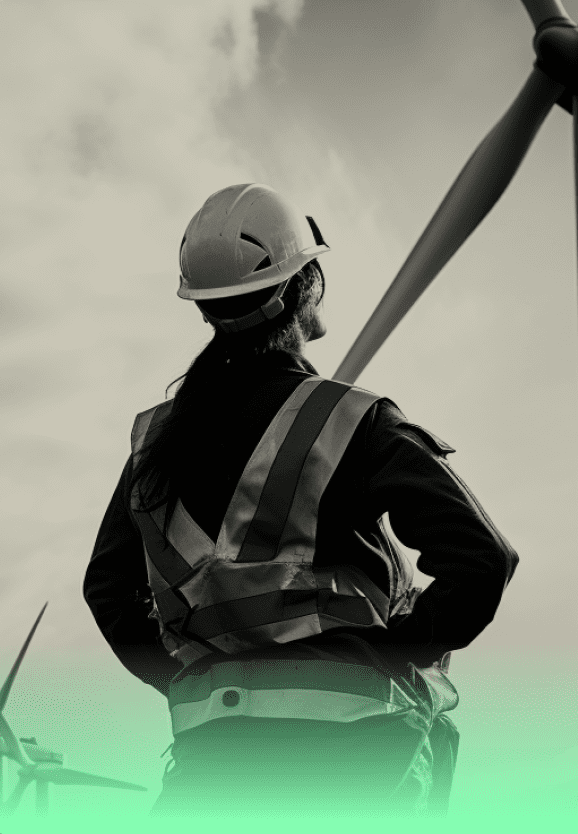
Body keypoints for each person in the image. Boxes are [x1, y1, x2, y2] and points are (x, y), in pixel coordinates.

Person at [83, 183, 519, 820]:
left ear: (205, 308)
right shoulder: (353, 419)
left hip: (214, 748)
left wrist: (187, 683)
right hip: (355, 749)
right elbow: (482, 560)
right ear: (298, 289)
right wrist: (395, 654)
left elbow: (109, 590)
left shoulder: (154, 441)